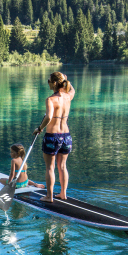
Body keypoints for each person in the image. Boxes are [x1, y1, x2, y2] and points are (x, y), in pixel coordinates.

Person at [33, 72, 75, 202]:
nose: (48, 83)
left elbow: (49, 117)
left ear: (55, 83)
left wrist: (39, 128)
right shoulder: (68, 96)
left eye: (49, 81)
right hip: (66, 136)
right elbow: (73, 89)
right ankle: (63, 194)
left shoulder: (50, 99)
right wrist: (66, 80)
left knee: (50, 167)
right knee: (62, 166)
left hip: (52, 136)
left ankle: (49, 196)